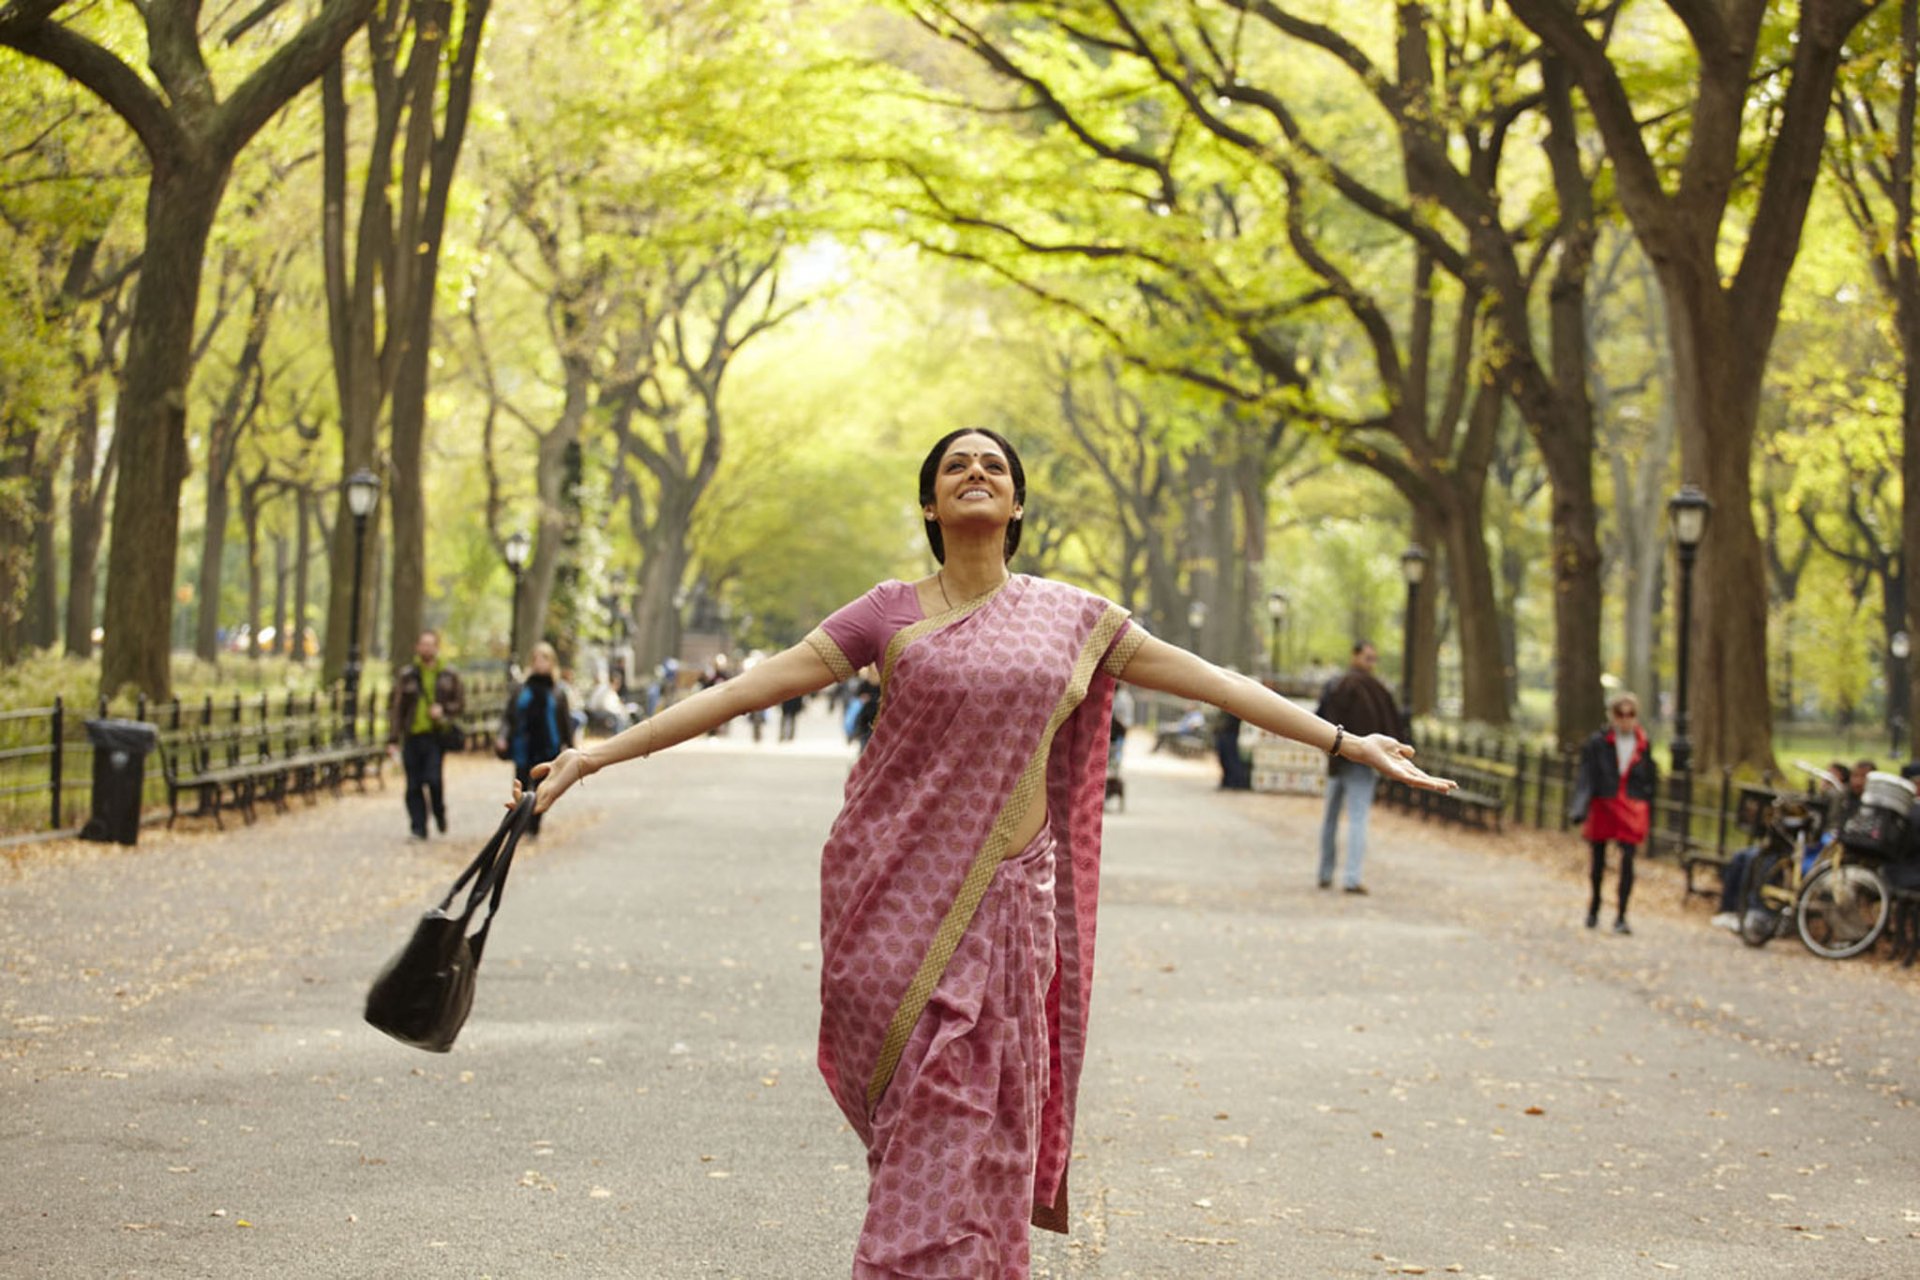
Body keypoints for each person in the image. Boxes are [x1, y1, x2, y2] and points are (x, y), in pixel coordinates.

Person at [513, 428, 1454, 1278]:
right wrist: (596, 753)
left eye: (993, 465)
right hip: (889, 900)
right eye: (954, 465)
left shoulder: (1077, 619)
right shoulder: (887, 612)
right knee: (924, 1115)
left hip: (1008, 910)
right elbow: (742, 694)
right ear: (931, 505)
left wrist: (1342, 741)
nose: (974, 473)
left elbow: (1215, 682)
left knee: (978, 1119)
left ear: (1015, 506)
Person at [1313, 640, 1403, 893]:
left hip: (1346, 761)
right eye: (1367, 658)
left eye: (1374, 658)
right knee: (1353, 819)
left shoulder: (1348, 686)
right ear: (1354, 656)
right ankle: (1343, 876)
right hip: (1353, 762)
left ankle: (1331, 873)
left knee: (1338, 818)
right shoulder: (1365, 688)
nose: (1371, 663)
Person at [1572, 693, 1657, 934]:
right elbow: (1585, 778)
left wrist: (1648, 805)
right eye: (1621, 714)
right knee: (1598, 861)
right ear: (1612, 716)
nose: (1626, 719)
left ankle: (1621, 915)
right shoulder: (1597, 743)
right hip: (1604, 804)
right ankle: (1594, 907)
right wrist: (1579, 808)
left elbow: (1650, 779)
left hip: (1631, 807)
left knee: (1628, 860)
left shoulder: (1643, 743)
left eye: (1630, 714)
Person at [387, 628, 465, 840]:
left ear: (437, 647)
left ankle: (439, 811)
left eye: (430, 644)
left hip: (435, 736)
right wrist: (393, 739)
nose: (426, 648)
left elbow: (460, 704)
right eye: (423, 644)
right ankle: (418, 827)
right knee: (413, 784)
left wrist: (443, 710)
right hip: (412, 735)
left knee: (433, 780)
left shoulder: (449, 674)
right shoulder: (408, 675)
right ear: (417, 647)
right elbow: (396, 708)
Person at [496, 642, 574, 837]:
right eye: (536, 658)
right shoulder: (521, 689)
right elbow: (509, 716)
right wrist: (503, 737)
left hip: (548, 748)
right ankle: (521, 824)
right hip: (523, 745)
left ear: (551, 662)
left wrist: (571, 748)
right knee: (521, 786)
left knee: (541, 788)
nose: (540, 663)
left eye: (544, 658)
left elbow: (565, 721)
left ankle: (534, 825)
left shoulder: (558, 691)